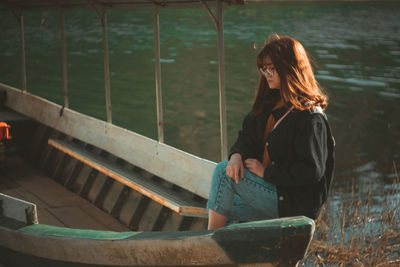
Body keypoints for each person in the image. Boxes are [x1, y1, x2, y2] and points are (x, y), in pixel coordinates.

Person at [207, 34, 335, 230]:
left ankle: (208, 244)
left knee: (222, 176)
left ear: (290, 69)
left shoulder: (310, 116)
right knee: (219, 204)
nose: (266, 74)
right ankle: (234, 254)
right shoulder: (269, 104)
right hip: (272, 192)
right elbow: (246, 136)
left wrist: (266, 172)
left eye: (272, 69)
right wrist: (236, 155)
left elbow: (311, 170)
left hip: (293, 205)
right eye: (263, 68)